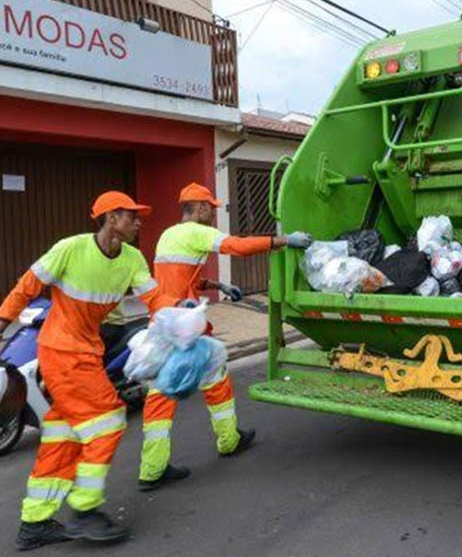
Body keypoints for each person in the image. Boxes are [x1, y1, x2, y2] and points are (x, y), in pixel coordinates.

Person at [0, 191, 179, 551]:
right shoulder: (70, 248)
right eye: (132, 216)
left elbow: (154, 296)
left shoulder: (131, 259)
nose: (139, 222)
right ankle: (85, 509)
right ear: (111, 219)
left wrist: (181, 311)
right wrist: (1, 321)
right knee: (109, 418)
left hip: (87, 349)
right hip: (61, 350)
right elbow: (27, 286)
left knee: (64, 433)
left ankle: (34, 522)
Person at [137, 182, 312, 491]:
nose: (213, 213)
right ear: (200, 207)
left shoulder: (169, 234)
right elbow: (237, 246)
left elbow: (181, 277)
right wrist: (285, 241)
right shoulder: (196, 232)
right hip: (183, 325)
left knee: (207, 378)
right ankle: (173, 461)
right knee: (179, 389)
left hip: (167, 321)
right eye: (211, 208)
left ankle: (211, 445)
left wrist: (217, 286)